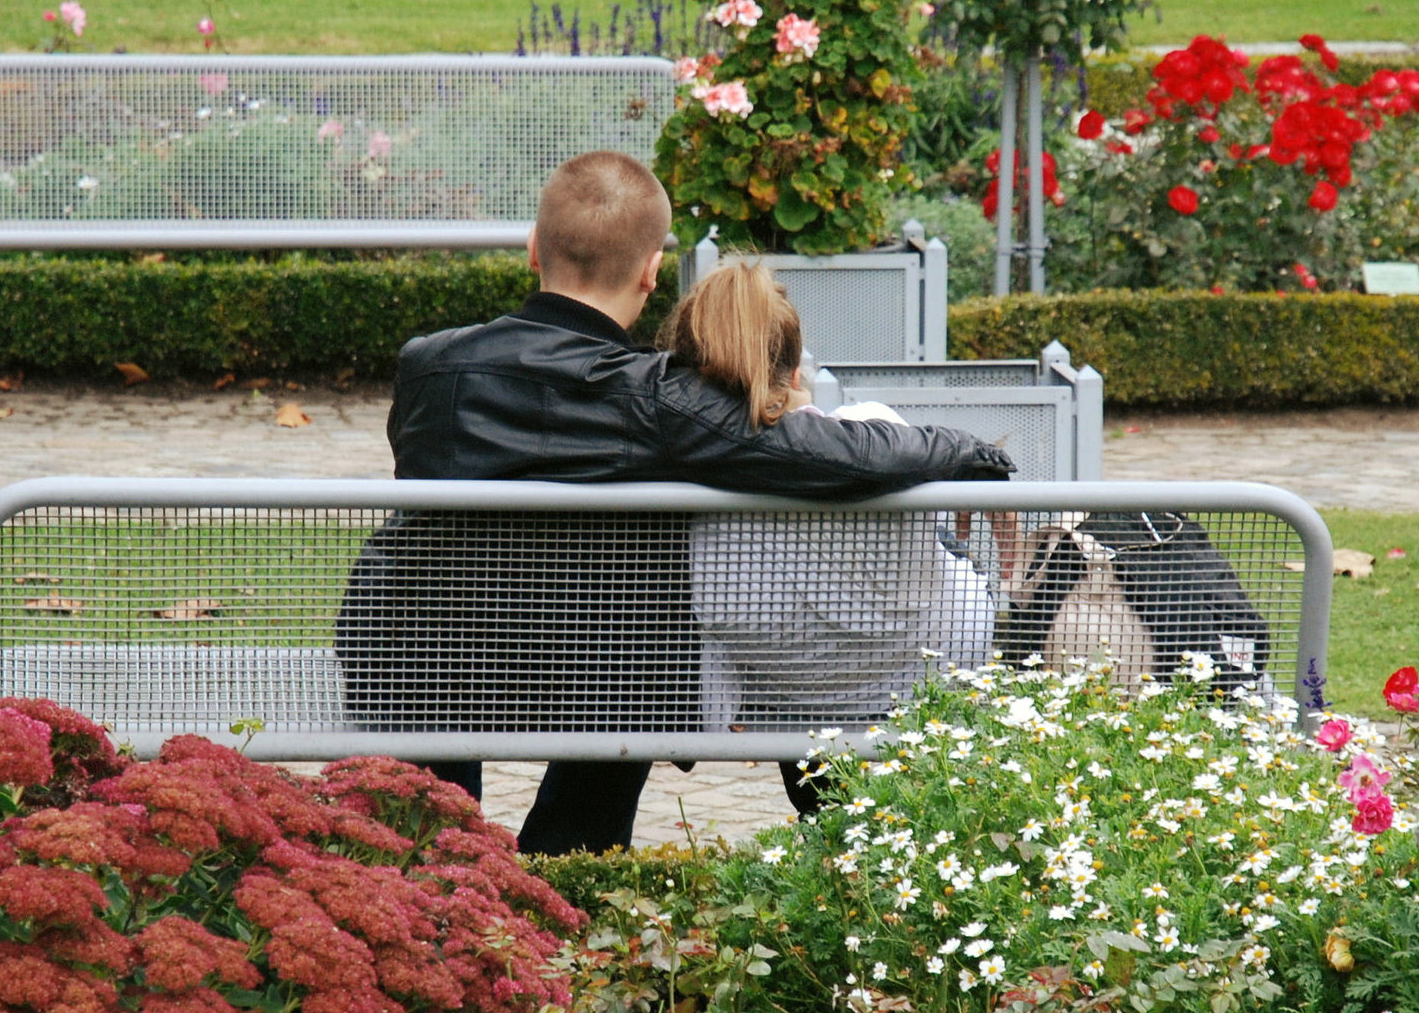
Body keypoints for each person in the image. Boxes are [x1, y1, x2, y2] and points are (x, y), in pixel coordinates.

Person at [335, 151, 1013, 855]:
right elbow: (827, 452)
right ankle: (562, 871)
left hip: (411, 665)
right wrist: (971, 451)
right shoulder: (655, 397)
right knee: (640, 671)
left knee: (449, 771)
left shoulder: (427, 363)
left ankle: (441, 869)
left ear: (534, 249)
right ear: (653, 271)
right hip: (589, 685)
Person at [657, 261, 999, 813]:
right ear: (795, 373)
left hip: (789, 705)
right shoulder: (871, 430)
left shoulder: (679, 472)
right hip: (917, 691)